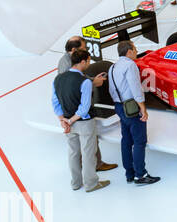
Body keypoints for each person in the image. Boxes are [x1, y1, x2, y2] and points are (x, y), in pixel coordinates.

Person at [51, 50, 109, 193]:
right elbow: (84, 108)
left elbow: (55, 102)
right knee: (88, 153)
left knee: (73, 153)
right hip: (84, 123)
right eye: (88, 61)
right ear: (83, 61)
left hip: (68, 123)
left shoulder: (57, 79)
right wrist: (70, 121)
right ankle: (91, 184)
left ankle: (76, 183)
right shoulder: (85, 82)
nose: (88, 64)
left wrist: (63, 120)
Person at [58, 37, 116, 173]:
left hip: (70, 111)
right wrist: (93, 82)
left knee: (76, 147)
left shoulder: (65, 61)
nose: (86, 51)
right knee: (89, 141)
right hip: (79, 110)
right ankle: (93, 172)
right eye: (84, 48)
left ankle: (78, 177)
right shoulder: (68, 64)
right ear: (73, 50)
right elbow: (76, 83)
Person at [109, 41, 158, 186]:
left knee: (126, 140)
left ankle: (129, 173)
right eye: (135, 49)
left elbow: (112, 89)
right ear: (129, 51)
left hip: (119, 106)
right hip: (131, 107)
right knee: (139, 141)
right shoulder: (130, 65)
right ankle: (140, 174)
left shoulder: (112, 67)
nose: (136, 51)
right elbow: (135, 87)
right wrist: (142, 106)